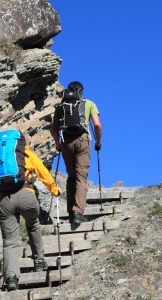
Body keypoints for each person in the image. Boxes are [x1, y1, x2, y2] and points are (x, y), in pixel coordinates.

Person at [0, 143, 60, 291]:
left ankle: (11, 278)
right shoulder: (28, 154)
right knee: (32, 225)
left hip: (4, 200)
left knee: (10, 241)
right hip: (27, 195)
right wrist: (55, 190)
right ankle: (38, 261)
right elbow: (44, 174)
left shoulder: (1, 157)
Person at [51, 81, 102, 224]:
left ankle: (69, 210)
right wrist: (98, 143)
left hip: (66, 142)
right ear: (81, 91)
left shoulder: (61, 106)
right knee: (81, 177)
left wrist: (58, 144)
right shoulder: (89, 103)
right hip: (82, 140)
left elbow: (54, 128)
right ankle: (77, 212)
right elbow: (97, 125)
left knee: (71, 177)